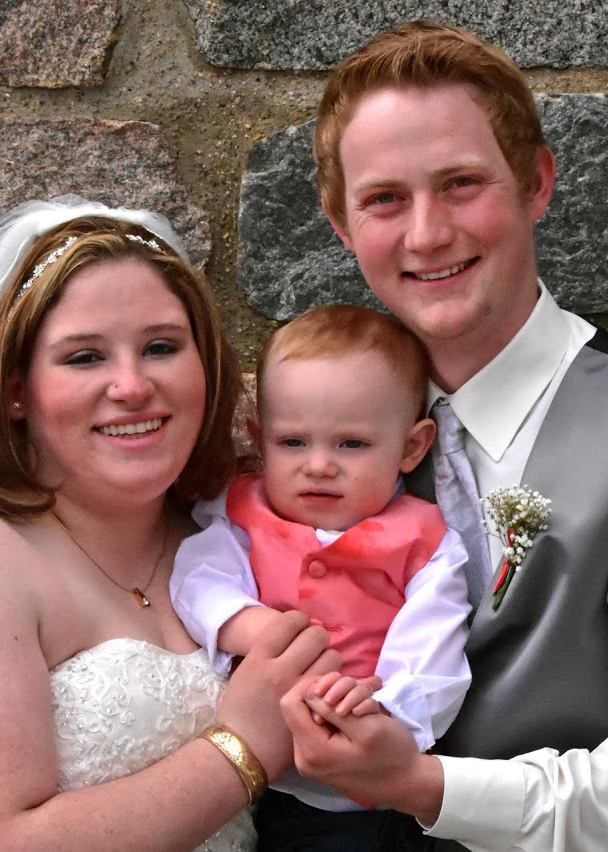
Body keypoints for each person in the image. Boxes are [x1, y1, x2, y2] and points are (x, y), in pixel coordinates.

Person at [278, 21, 608, 852]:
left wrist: (424, 787)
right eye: (384, 199)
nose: (426, 234)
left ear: (535, 184)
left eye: (459, 184)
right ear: (341, 224)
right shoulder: (320, 445)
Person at [0, 197, 338, 851]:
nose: (131, 385)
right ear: (16, 391)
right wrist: (241, 748)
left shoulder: (224, 533)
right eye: (84, 358)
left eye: (160, 347)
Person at [170, 304, 472, 850]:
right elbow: (199, 579)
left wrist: (385, 706)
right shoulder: (240, 514)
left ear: (411, 447)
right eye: (292, 442)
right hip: (267, 780)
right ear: (259, 438)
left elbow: (434, 649)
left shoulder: (425, 542)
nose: (318, 465)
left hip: (373, 786)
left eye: (351, 444)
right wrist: (255, 628)